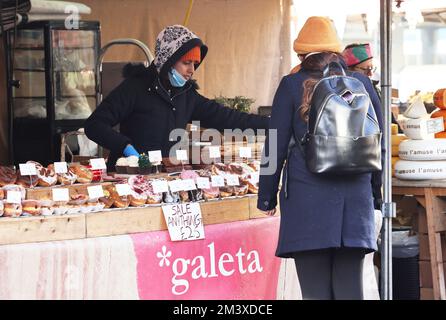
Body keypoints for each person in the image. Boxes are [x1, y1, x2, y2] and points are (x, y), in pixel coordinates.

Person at [257, 16, 384, 300]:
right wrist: (376, 195)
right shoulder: (361, 83)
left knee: (315, 293)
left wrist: (266, 197)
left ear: (301, 54)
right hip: (355, 203)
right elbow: (379, 143)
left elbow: (274, 145)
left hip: (307, 202)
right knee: (351, 290)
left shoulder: (291, 85)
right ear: (336, 52)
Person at [84, 25, 269, 171]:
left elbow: (228, 118)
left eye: (195, 64)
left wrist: (274, 123)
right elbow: (94, 125)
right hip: (129, 175)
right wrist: (126, 147)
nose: (191, 70)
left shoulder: (187, 95)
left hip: (168, 177)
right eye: (186, 62)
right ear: (168, 60)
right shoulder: (135, 88)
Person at [342, 43, 400, 130]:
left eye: (371, 68)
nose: (370, 73)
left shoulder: (373, 88)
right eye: (365, 69)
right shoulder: (345, 93)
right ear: (349, 70)